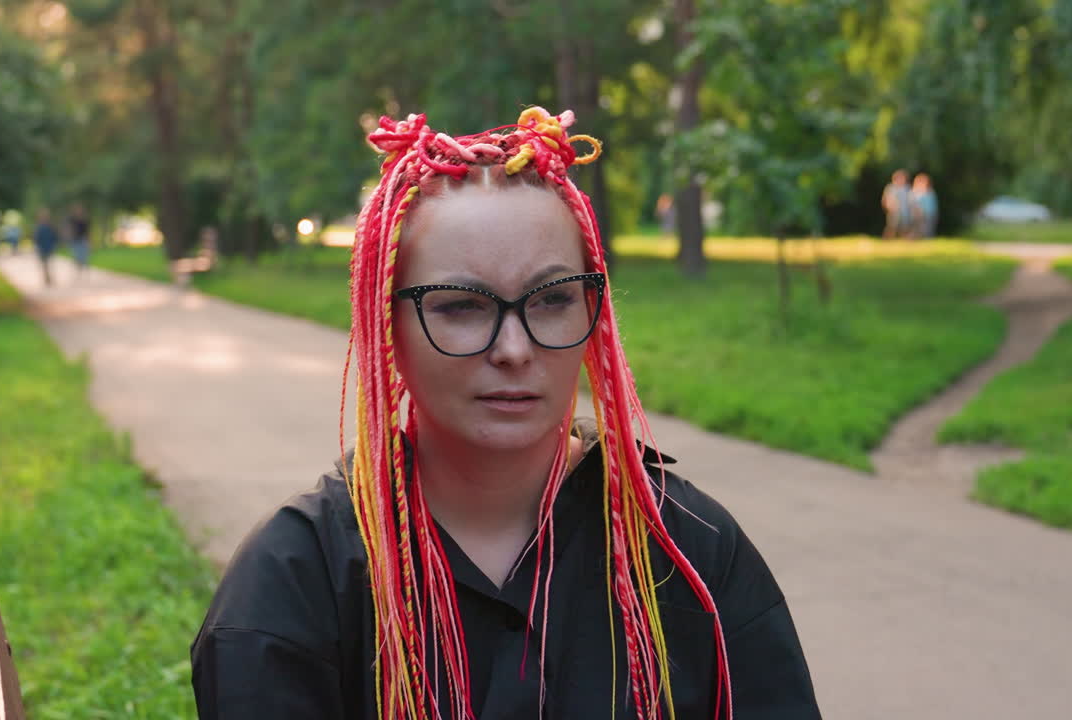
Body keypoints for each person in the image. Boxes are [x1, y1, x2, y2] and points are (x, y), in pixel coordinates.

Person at [190, 108, 819, 720]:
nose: (514, 349)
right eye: (461, 306)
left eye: (552, 301)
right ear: (388, 328)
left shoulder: (691, 554)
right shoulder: (292, 589)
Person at [881, 169, 912, 238]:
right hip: (894, 211)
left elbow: (911, 200)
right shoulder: (891, 187)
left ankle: (904, 240)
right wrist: (888, 207)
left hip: (905, 211)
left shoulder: (907, 188)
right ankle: (888, 239)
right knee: (892, 226)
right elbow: (886, 199)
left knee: (905, 227)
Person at [34, 209, 59, 287]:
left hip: (49, 247)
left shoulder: (50, 226)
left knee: (50, 264)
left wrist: (54, 244)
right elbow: (37, 238)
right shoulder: (39, 227)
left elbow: (54, 236)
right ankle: (46, 278)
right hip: (42, 248)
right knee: (44, 264)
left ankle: (49, 278)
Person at [911, 173, 938, 238]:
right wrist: (918, 213)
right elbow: (914, 204)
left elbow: (934, 205)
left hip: (930, 214)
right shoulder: (915, 192)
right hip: (920, 215)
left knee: (929, 229)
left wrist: (935, 214)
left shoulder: (931, 192)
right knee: (920, 230)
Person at [68, 203, 90, 273]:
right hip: (75, 240)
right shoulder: (72, 220)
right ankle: (79, 268)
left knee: (84, 255)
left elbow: (87, 231)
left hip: (83, 239)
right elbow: (70, 229)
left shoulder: (85, 220)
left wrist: (89, 240)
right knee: (77, 255)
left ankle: (83, 267)